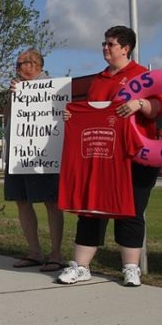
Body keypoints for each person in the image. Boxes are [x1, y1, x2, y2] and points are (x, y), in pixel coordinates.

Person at [57, 26, 161, 286]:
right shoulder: (99, 79)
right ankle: (81, 266)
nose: (105, 47)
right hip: (101, 156)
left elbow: (156, 109)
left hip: (134, 156)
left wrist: (140, 103)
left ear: (125, 48)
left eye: (110, 44)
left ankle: (130, 268)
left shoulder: (142, 75)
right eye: (104, 43)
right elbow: (91, 113)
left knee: (132, 211)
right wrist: (72, 116)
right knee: (91, 210)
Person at [4, 49, 64, 272]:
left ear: (34, 65)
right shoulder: (16, 88)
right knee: (22, 200)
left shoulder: (51, 86)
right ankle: (34, 252)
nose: (17, 69)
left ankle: (56, 253)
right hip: (18, 153)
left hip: (43, 156)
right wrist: (13, 96)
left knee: (51, 201)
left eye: (19, 65)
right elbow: (8, 116)